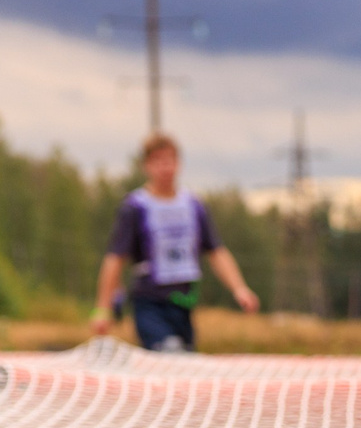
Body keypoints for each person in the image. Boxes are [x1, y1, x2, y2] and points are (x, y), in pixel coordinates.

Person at [89, 134, 260, 351]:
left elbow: (216, 251)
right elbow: (115, 257)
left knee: (182, 362)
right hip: (149, 303)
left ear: (178, 163)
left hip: (184, 305)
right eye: (158, 161)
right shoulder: (135, 207)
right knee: (171, 352)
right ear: (147, 165)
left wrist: (239, 288)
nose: (165, 168)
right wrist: (103, 308)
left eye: (169, 160)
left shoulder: (194, 205)